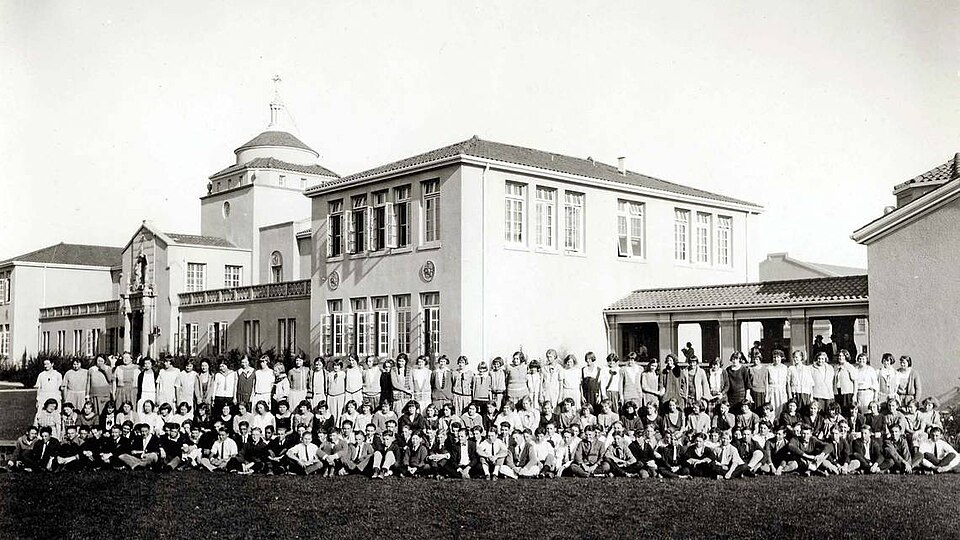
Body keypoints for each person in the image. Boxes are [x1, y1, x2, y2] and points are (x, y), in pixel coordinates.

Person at [766, 350, 790, 416]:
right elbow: (766, 382)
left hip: (782, 391)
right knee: (772, 408)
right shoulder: (769, 368)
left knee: (782, 407)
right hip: (772, 391)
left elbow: (787, 383)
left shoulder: (785, 368)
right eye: (774, 357)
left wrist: (789, 394)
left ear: (781, 358)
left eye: (778, 357)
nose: (776, 359)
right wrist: (767, 395)